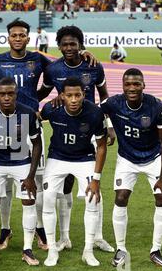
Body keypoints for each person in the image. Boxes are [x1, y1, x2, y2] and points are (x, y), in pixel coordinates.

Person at [0, 20, 98, 253]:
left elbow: (63, 66)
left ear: (28, 37)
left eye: (22, 35)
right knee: (3, 181)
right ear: (8, 38)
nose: (18, 38)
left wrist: (83, 52)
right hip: (4, 127)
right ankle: (5, 229)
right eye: (14, 35)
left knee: (37, 181)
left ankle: (40, 227)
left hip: (31, 124)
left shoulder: (38, 60)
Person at [40, 25, 115, 254]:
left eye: (73, 43)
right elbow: (41, 94)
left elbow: (104, 96)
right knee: (65, 186)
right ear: (59, 46)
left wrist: (108, 125)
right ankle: (64, 238)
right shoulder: (52, 69)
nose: (69, 47)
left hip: (90, 128)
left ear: (80, 45)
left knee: (94, 186)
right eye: (65, 44)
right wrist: (53, 100)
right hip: (66, 128)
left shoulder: (93, 66)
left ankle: (98, 238)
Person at [101, 68, 162, 267]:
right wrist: (109, 128)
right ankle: (121, 249)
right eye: (128, 84)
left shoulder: (157, 108)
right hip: (127, 158)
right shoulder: (113, 103)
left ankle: (155, 249)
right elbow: (94, 111)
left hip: (154, 158)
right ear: (123, 86)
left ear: (143, 85)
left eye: (136, 84)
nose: (132, 88)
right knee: (121, 197)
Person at [0, 77, 42, 266]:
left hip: (22, 162)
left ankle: (27, 249)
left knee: (29, 200)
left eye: (10, 93)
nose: (6, 97)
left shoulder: (27, 113)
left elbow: (37, 144)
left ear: (16, 94)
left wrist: (30, 176)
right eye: (2, 94)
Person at [40, 76, 107, 267]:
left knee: (92, 198)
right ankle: (52, 249)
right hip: (57, 157)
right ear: (62, 96)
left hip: (84, 157)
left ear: (84, 94)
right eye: (69, 95)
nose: (74, 99)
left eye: (78, 95)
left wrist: (96, 178)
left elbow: (101, 146)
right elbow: (36, 119)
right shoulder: (51, 109)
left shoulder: (94, 113)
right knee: (49, 197)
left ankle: (88, 250)